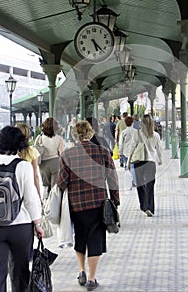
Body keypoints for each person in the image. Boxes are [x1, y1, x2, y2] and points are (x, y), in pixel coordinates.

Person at [56, 120, 120, 291]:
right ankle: (92, 278)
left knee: (80, 237)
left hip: (76, 204)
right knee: (95, 239)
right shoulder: (102, 152)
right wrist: (116, 199)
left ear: (75, 136)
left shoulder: (68, 155)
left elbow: (61, 183)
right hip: (98, 202)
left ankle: (81, 270)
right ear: (90, 134)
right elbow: (113, 179)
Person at [0, 126, 44, 292]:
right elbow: (31, 198)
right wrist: (38, 224)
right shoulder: (23, 166)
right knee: (20, 272)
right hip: (20, 225)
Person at [128, 114, 163, 217]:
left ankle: (143, 206)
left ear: (142, 123)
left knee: (140, 185)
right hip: (150, 162)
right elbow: (159, 149)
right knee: (150, 186)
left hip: (138, 162)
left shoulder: (137, 134)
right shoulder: (156, 135)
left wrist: (128, 161)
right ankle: (150, 208)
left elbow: (132, 148)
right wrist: (160, 160)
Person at [34, 117, 64, 198]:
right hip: (55, 163)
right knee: (54, 187)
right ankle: (53, 203)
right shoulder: (59, 139)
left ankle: (45, 203)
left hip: (43, 164)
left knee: (45, 186)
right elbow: (61, 153)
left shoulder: (39, 138)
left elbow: (36, 152)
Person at [15, 122, 42, 203]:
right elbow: (35, 176)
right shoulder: (32, 152)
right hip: (27, 188)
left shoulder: (9, 151)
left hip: (12, 189)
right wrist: (39, 196)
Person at [118, 116, 137, 186]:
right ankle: (134, 181)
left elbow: (121, 143)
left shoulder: (123, 132)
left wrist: (120, 152)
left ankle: (128, 181)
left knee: (127, 166)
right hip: (134, 152)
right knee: (133, 167)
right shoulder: (136, 132)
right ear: (132, 123)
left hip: (125, 152)